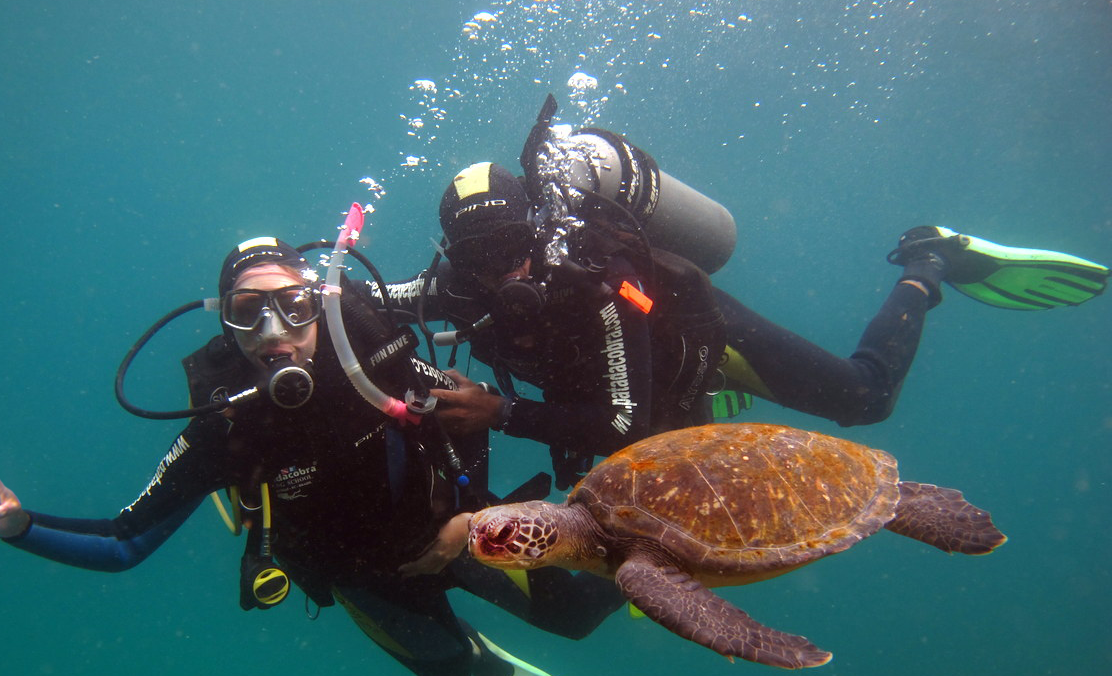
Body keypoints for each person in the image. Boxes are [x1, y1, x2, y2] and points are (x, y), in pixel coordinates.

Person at [0, 233, 625, 676]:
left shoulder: (374, 360)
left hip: (451, 532)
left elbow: (467, 413)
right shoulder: (224, 426)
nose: (275, 334)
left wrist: (468, 519)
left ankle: (652, 556)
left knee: (584, 613)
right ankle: (470, 648)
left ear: (317, 305)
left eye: (292, 307)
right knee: (448, 673)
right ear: (226, 324)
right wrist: (20, 526)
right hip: (360, 577)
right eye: (248, 314)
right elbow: (124, 542)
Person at [384, 99, 1109, 490]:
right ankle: (701, 407)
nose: (507, 274)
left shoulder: (595, 279)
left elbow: (622, 425)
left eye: (517, 248)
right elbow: (367, 303)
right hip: (632, 392)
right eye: (482, 261)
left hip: (696, 341)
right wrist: (288, 301)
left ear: (540, 229)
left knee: (864, 399)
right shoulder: (449, 291)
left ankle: (930, 263)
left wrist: (500, 412)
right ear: (455, 260)